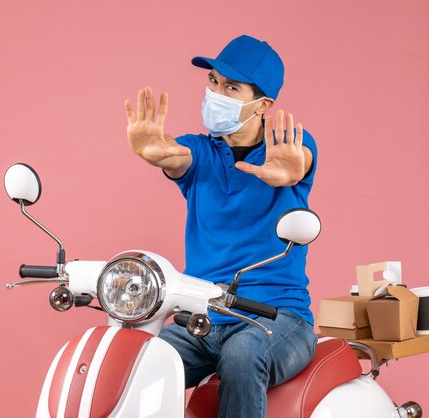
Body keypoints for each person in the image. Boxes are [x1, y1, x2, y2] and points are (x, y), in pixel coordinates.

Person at [124, 34, 318, 418]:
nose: (216, 93)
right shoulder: (199, 150)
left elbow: (299, 162)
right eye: (213, 81)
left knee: (243, 353)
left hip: (279, 318)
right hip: (202, 316)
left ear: (263, 105)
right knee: (137, 360)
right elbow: (176, 158)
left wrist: (290, 171)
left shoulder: (288, 144)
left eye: (231, 87)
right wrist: (155, 154)